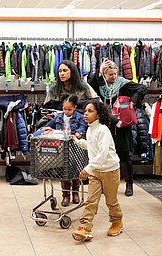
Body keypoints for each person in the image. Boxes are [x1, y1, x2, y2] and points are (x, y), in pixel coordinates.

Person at [88, 59, 147, 196]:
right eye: (110, 74)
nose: (113, 77)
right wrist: (99, 69)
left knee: (125, 156)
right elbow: (89, 86)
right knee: (104, 153)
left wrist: (133, 100)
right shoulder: (101, 85)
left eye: (115, 74)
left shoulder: (123, 84)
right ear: (104, 74)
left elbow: (142, 88)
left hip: (121, 125)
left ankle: (129, 184)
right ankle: (104, 184)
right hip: (106, 125)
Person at [71, 100, 123, 242]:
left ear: (98, 114)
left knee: (111, 201)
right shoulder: (90, 129)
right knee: (91, 201)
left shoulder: (103, 130)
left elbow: (102, 153)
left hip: (110, 171)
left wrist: (88, 168)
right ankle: (85, 227)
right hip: (96, 172)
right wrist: (77, 141)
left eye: (90, 111)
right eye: (85, 111)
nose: (85, 114)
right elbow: (91, 145)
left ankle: (117, 222)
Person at [42, 93, 86, 206]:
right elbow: (49, 125)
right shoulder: (59, 117)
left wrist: (79, 133)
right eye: (64, 109)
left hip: (75, 147)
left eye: (69, 109)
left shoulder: (80, 117)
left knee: (76, 170)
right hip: (61, 147)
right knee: (64, 171)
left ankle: (75, 192)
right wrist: (45, 129)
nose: (66, 111)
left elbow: (82, 127)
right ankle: (65, 195)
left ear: (75, 107)